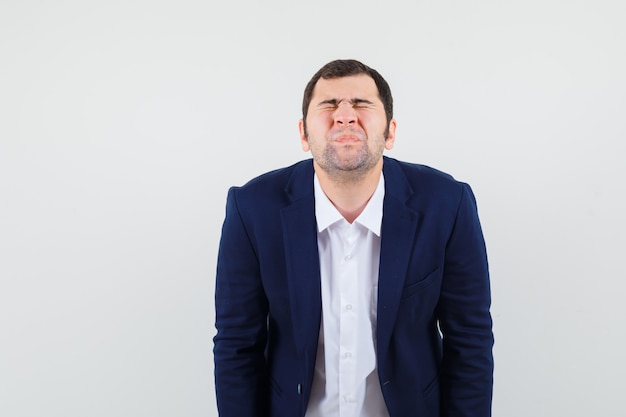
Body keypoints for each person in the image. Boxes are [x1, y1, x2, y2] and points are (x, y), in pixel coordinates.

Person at [213, 59, 494, 417]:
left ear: (390, 132)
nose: (345, 116)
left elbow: (470, 340)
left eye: (362, 104)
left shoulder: (447, 204)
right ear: (303, 134)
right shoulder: (252, 209)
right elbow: (237, 344)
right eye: (329, 105)